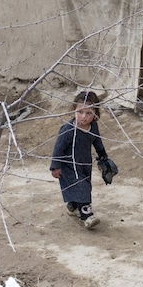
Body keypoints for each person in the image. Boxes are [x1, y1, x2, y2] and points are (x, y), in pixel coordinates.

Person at [49, 91, 110, 230]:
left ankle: (73, 206)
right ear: (73, 110)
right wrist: (55, 166)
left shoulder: (93, 127)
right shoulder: (68, 130)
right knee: (82, 187)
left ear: (95, 113)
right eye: (80, 112)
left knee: (82, 185)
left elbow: (97, 141)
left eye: (89, 113)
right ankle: (86, 216)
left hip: (85, 164)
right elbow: (58, 149)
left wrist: (103, 156)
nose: (84, 116)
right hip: (69, 166)